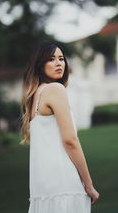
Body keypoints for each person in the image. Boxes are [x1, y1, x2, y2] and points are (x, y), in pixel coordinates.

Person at [20, 40, 99, 213]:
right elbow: (70, 140)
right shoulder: (55, 89)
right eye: (51, 59)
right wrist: (88, 184)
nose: (58, 63)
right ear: (40, 65)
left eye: (61, 58)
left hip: (43, 186)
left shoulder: (35, 95)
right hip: (64, 181)